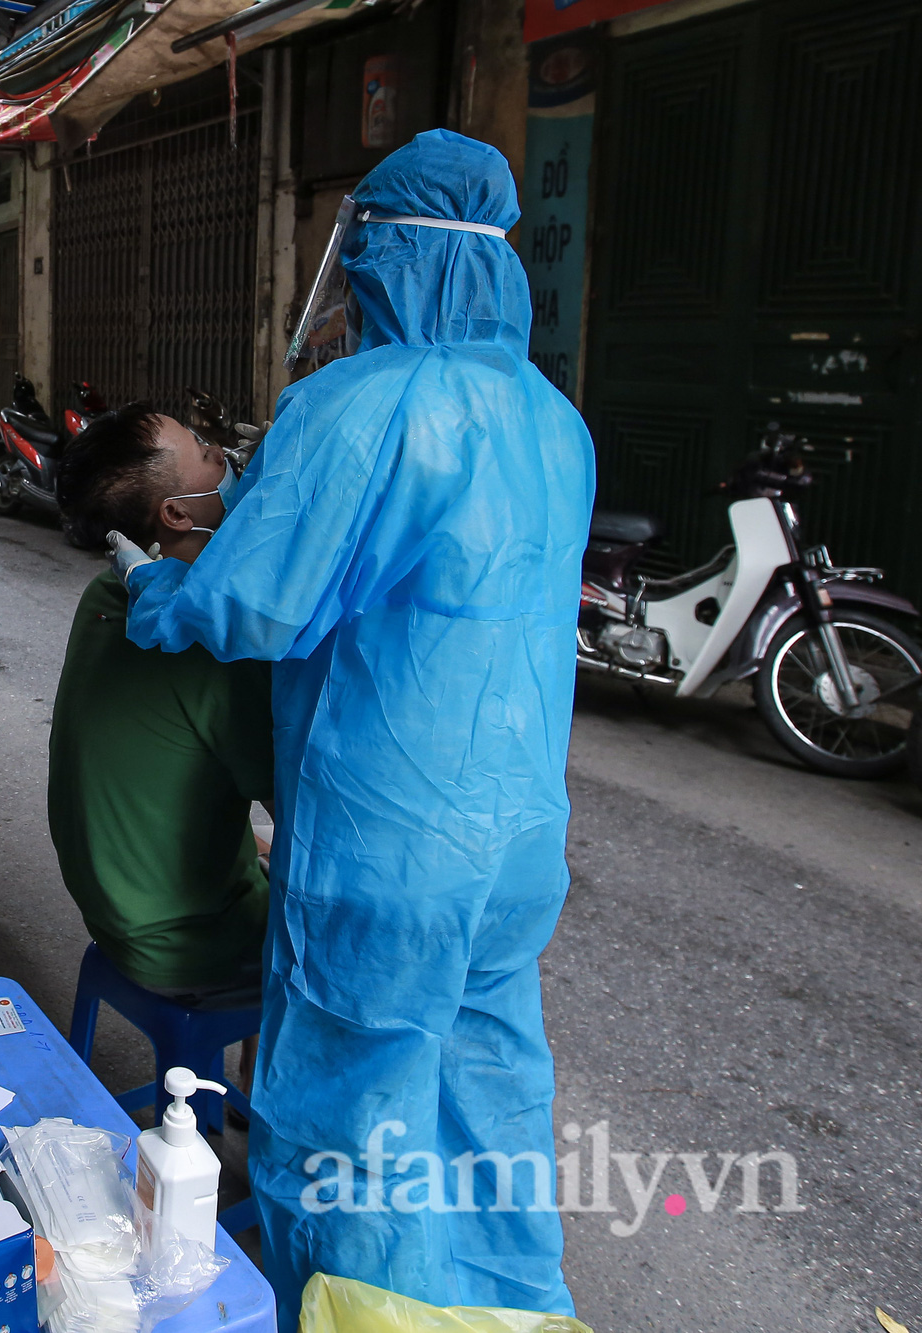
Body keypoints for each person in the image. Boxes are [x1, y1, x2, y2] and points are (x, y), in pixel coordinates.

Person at [111, 130, 593, 1322]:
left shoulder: (358, 406)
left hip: (391, 846)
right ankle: (514, 1306)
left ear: (384, 258)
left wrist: (152, 585)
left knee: (348, 1129)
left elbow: (250, 603)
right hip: (517, 840)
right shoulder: (553, 419)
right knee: (485, 1096)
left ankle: (357, 1309)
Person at [49, 404, 272, 1007]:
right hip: (184, 944)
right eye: (204, 449)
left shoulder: (108, 591)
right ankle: (249, 1094)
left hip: (115, 909)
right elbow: (302, 812)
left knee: (262, 845)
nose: (224, 456)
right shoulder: (216, 644)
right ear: (177, 512)